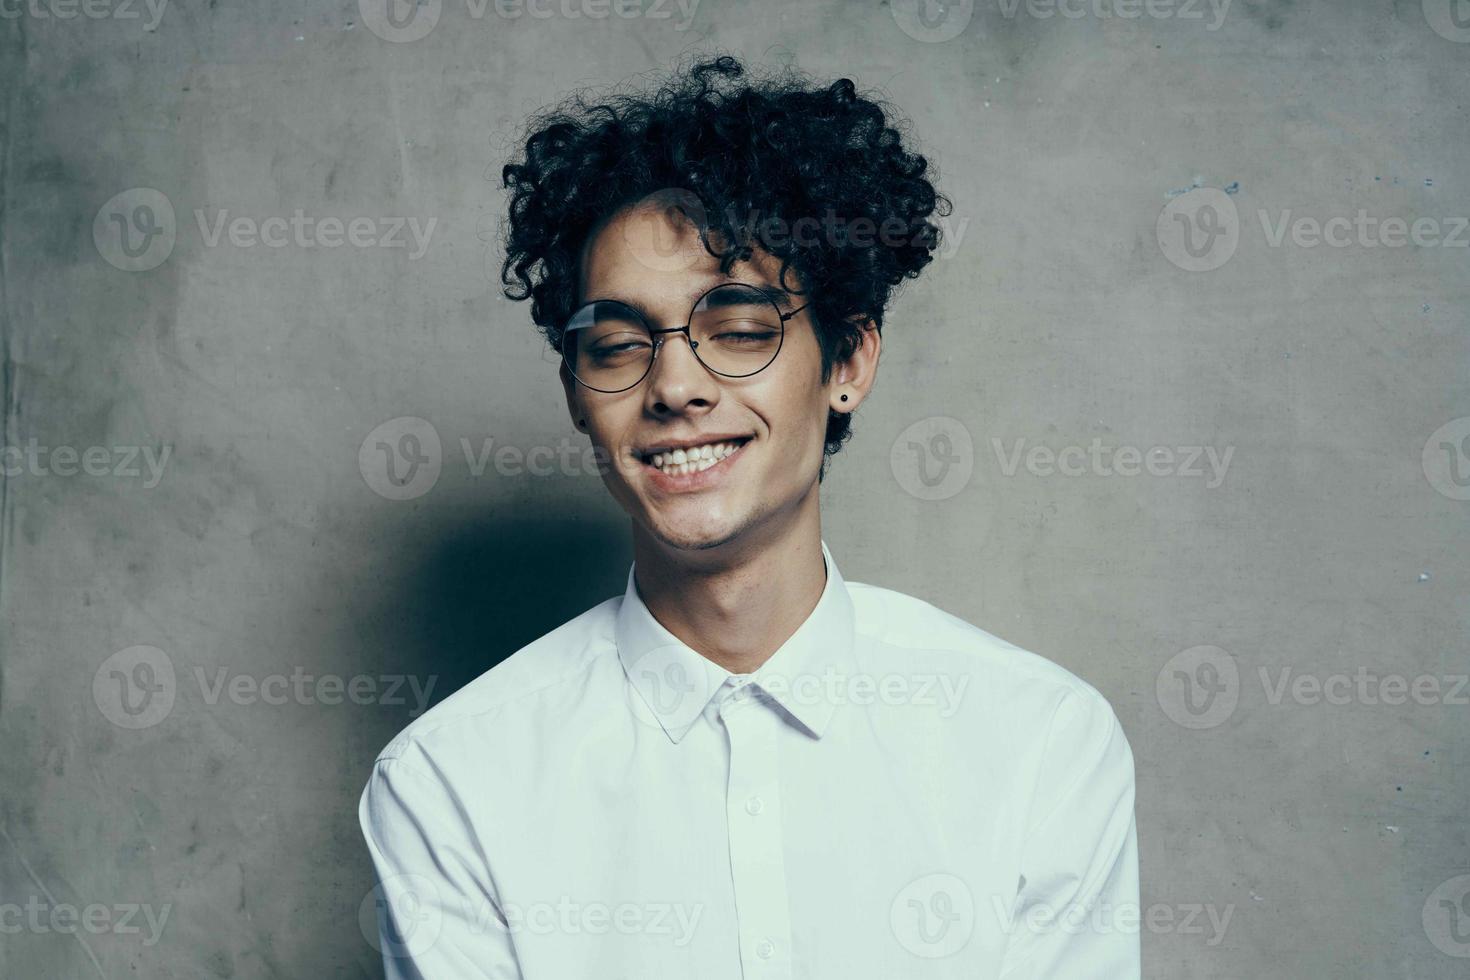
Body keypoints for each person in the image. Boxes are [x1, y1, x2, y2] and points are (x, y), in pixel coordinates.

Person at [359, 54, 1139, 979]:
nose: (676, 386)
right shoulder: (450, 785)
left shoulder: (1038, 743)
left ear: (846, 362)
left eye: (738, 330)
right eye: (616, 344)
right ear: (577, 392)